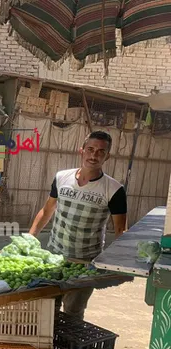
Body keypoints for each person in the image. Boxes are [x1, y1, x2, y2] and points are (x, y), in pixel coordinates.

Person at [29, 130, 127, 319]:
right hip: (54, 257)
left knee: (73, 311)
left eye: (100, 151)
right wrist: (29, 237)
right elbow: (47, 209)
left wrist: (118, 262)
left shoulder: (114, 189)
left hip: (85, 262)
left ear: (107, 156)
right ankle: (49, 348)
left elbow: (121, 230)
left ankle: (70, 348)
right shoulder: (61, 178)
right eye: (90, 149)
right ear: (81, 150)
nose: (94, 155)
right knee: (47, 308)